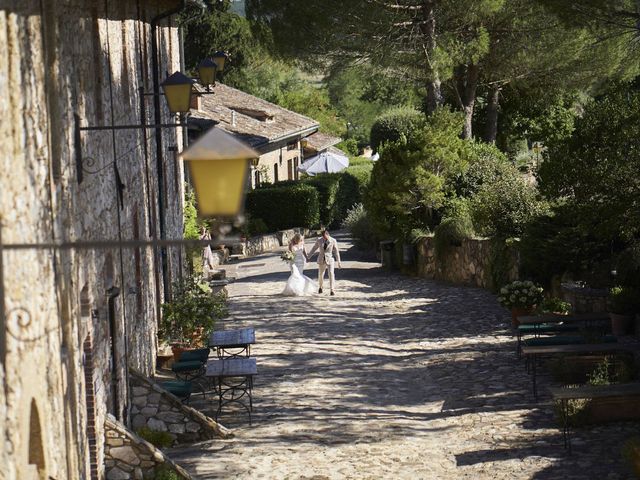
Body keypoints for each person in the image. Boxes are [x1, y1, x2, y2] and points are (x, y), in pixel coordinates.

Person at [309, 229, 342, 295]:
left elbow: (336, 251)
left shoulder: (333, 240)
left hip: (330, 259)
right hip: (321, 259)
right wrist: (309, 256)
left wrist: (339, 261)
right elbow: (314, 248)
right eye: (323, 237)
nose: (324, 238)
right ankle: (320, 287)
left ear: (328, 234)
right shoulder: (319, 240)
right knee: (321, 274)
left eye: (325, 237)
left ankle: (332, 289)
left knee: (331, 273)